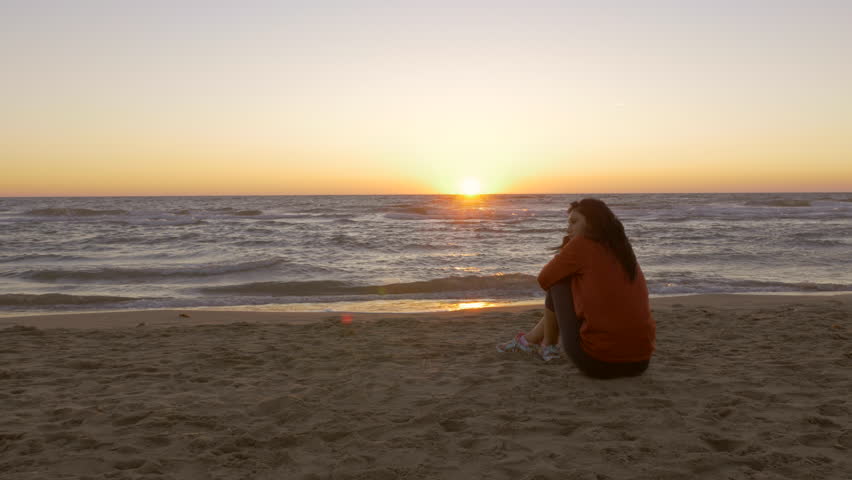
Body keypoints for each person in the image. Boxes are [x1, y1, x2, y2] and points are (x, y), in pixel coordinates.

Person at [497, 198, 655, 379]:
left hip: (599, 363)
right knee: (564, 278)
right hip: (640, 363)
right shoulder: (622, 250)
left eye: (574, 222)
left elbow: (544, 279)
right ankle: (530, 340)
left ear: (592, 223)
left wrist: (567, 250)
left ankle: (546, 345)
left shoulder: (582, 245)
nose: (568, 228)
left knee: (557, 281)